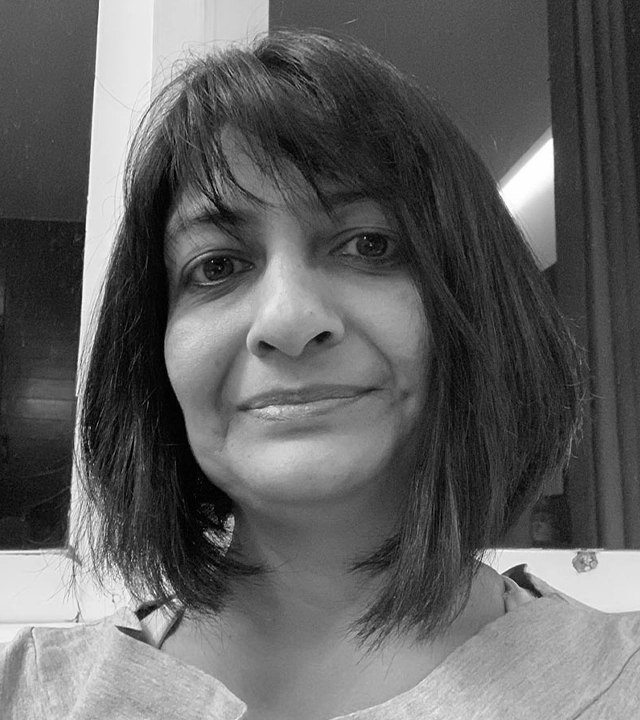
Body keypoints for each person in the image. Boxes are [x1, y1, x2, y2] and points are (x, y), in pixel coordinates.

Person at [2, 30, 639, 720]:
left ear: (478, 308)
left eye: (368, 244)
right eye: (217, 266)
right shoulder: (27, 694)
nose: (288, 320)